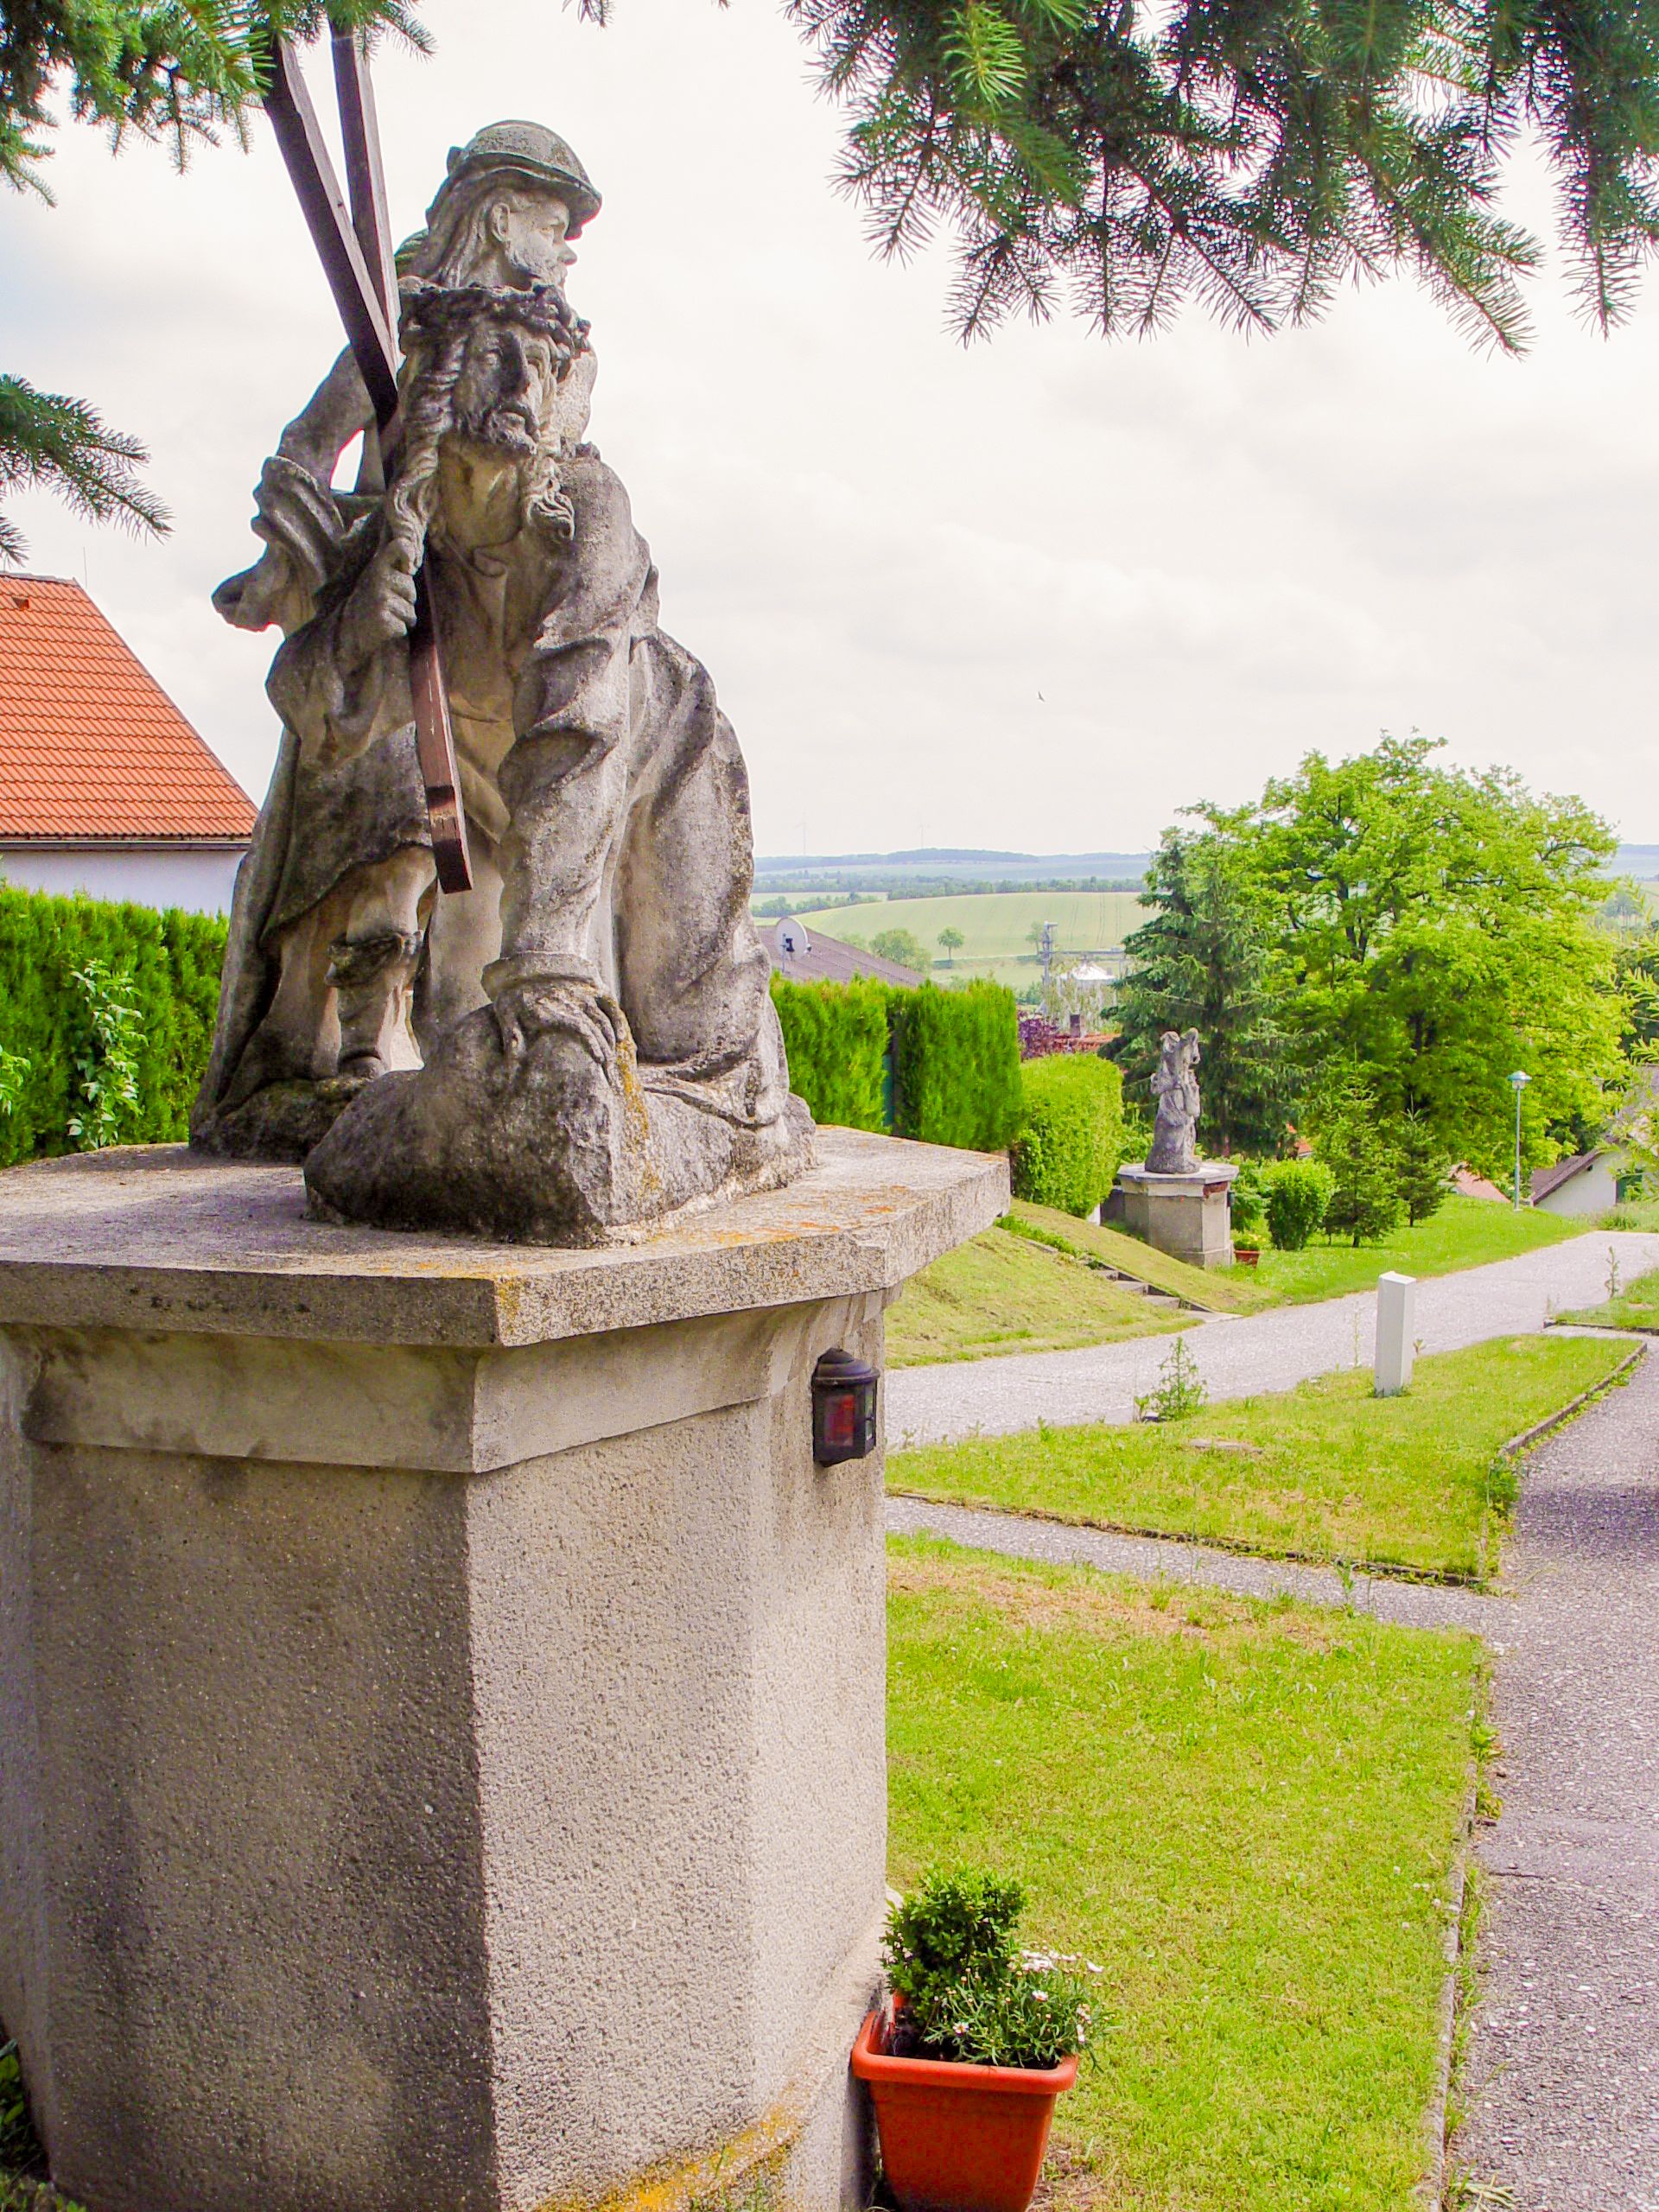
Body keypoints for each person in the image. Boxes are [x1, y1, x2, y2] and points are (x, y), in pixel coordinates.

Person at [194, 121, 811, 1242]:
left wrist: (547, 970)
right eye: (547, 217)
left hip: (656, 777)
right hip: (476, 764)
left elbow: (576, 743)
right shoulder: (411, 549)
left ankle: (681, 1099)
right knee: (420, 960)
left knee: (692, 1050)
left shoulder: (587, 527)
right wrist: (342, 606)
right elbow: (319, 707)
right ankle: (340, 1069)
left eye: (545, 408)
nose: (533, 420)